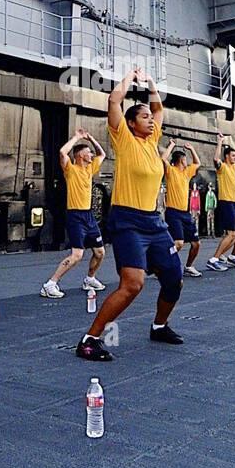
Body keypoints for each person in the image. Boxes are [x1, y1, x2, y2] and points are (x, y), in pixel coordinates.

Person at [76, 68, 184, 360]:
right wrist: (129, 78)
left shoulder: (152, 142)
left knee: (175, 278)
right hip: (127, 221)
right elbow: (114, 101)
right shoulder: (122, 138)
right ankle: (89, 339)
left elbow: (159, 107)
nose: (151, 120)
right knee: (133, 284)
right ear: (131, 123)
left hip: (154, 222)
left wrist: (150, 84)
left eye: (151, 118)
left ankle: (159, 326)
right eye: (144, 117)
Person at [42, 128, 108, 297]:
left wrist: (92, 139)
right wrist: (76, 138)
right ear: (80, 156)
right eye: (88, 153)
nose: (91, 155)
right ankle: (50, 284)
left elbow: (102, 154)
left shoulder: (90, 169)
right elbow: (62, 152)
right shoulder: (70, 170)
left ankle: (89, 279)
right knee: (77, 255)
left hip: (89, 216)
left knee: (100, 252)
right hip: (75, 216)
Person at [206, 134, 235, 271]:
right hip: (226, 203)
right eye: (233, 155)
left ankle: (233, 256)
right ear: (227, 157)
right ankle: (214, 259)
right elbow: (215, 159)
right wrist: (220, 141)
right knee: (232, 234)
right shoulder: (223, 168)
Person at [162, 140, 203, 277]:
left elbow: (198, 163)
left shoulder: (187, 172)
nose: (187, 162)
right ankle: (163, 266)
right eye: (185, 159)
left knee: (196, 244)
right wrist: (171, 145)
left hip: (186, 213)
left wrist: (192, 149)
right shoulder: (171, 171)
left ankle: (189, 267)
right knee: (178, 243)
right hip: (173, 212)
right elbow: (163, 159)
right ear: (182, 160)